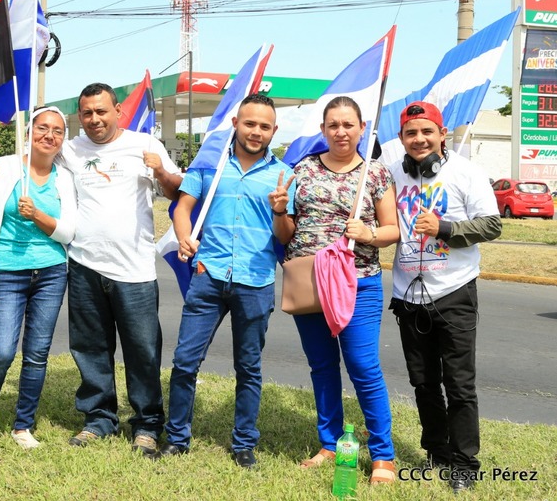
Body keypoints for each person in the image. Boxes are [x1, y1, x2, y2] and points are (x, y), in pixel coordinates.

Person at [157, 94, 295, 469]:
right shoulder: (209, 166)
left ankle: (244, 443)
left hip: (255, 281)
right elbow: (182, 209)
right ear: (236, 123)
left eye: (264, 126)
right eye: (250, 124)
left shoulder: (284, 175)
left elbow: (285, 236)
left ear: (274, 130)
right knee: (185, 362)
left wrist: (280, 210)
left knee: (248, 368)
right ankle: (177, 437)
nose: (256, 132)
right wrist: (184, 237)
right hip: (209, 276)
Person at [63, 83, 183, 456]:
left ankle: (147, 424)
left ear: (118, 111)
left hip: (134, 270)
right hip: (84, 264)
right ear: (80, 116)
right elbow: (31, 161)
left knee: (142, 350)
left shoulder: (144, 145)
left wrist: (160, 171)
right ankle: (98, 418)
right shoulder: (71, 149)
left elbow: (178, 191)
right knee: (90, 347)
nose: (94, 119)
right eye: (87, 113)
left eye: (101, 111)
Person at [283, 96, 400, 483]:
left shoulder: (376, 173)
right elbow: (286, 230)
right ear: (323, 129)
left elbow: (392, 229)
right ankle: (329, 444)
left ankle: (383, 455)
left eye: (348, 125)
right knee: (321, 366)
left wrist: (368, 233)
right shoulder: (303, 169)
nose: (341, 132)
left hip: (358, 282)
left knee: (363, 366)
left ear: (362, 128)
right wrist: (280, 211)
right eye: (333, 125)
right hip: (309, 282)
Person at [388, 101, 501, 493]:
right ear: (401, 138)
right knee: (423, 382)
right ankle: (436, 452)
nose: (419, 139)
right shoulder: (394, 174)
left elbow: (491, 225)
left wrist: (445, 228)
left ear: (442, 134)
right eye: (411, 133)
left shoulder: (466, 172)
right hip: (407, 294)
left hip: (454, 292)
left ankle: (465, 463)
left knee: (459, 384)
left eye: (426, 132)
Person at [0, 106, 77, 451]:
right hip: (6, 270)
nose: (49, 135)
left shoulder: (64, 177)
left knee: (37, 353)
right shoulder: (5, 168)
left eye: (57, 131)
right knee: (0, 351)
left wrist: (37, 214)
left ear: (63, 139)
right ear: (29, 133)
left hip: (51, 272)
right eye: (42, 128)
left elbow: (68, 232)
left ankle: (23, 425)